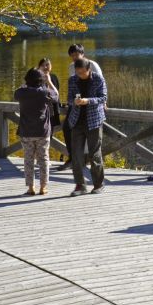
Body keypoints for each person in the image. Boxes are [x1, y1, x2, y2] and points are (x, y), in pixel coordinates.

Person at [65, 56, 108, 195]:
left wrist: (87, 101)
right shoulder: (72, 80)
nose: (80, 75)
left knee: (94, 155)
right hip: (76, 121)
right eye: (78, 72)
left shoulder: (98, 79)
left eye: (82, 72)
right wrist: (75, 102)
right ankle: (80, 185)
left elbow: (103, 98)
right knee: (76, 155)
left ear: (89, 69)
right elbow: (69, 99)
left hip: (94, 121)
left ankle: (98, 184)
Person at [14, 66, 59, 196]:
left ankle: (30, 187)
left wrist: (25, 84)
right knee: (43, 159)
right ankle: (43, 187)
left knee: (28, 160)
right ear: (41, 80)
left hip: (26, 131)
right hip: (42, 131)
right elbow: (56, 96)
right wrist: (49, 81)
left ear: (27, 79)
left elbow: (16, 94)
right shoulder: (44, 92)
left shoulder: (22, 93)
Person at [57, 45, 102, 171]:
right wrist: (71, 101)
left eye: (77, 54)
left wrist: (103, 102)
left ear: (83, 54)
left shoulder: (92, 65)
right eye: (72, 55)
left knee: (91, 133)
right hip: (77, 103)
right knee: (67, 127)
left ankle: (87, 161)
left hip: (91, 103)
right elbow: (71, 87)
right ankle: (73, 158)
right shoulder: (71, 67)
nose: (74, 57)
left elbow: (101, 84)